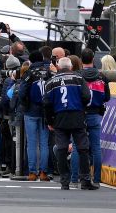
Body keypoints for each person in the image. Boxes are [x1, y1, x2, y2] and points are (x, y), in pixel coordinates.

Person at [44, 57, 96, 190]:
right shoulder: (78, 79)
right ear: (71, 66)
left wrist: (50, 121)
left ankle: (64, 181)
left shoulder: (51, 82)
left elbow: (47, 103)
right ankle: (85, 180)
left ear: (58, 67)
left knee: (61, 148)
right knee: (83, 148)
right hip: (77, 115)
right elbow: (86, 97)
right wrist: (81, 107)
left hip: (59, 117)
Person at [70, 48, 109, 186]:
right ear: (93, 59)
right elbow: (107, 97)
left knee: (76, 146)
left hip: (80, 113)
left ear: (81, 60)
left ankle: (74, 178)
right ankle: (97, 179)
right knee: (96, 147)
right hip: (95, 113)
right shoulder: (102, 76)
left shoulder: (77, 76)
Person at [16, 49, 52, 181]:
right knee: (44, 143)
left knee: (31, 143)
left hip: (31, 111)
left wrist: (25, 104)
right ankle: (43, 172)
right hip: (45, 112)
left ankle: (32, 172)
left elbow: (21, 92)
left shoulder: (29, 73)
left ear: (31, 60)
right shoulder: (49, 73)